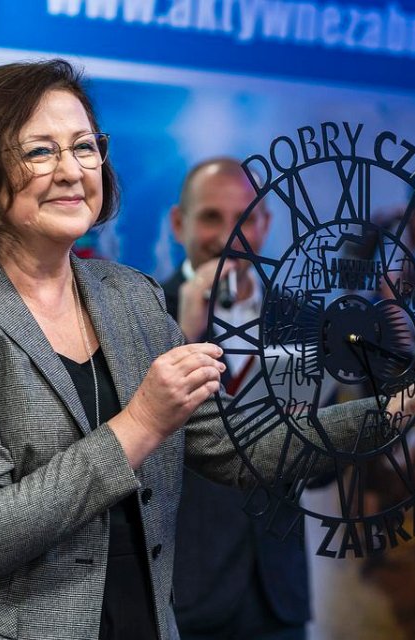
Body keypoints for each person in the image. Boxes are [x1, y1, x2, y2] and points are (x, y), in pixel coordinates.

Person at [0, 59, 415, 640]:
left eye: (84, 146)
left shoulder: (130, 298)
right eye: (39, 151)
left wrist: (404, 403)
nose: (72, 170)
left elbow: (236, 445)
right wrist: (142, 421)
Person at [162, 158, 313, 639]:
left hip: (277, 596)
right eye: (211, 217)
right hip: (182, 595)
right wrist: (184, 333)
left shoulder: (298, 321)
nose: (230, 236)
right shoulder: (142, 312)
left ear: (265, 224)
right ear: (179, 224)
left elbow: (314, 463)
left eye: (244, 218)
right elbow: (136, 448)